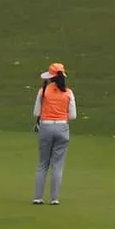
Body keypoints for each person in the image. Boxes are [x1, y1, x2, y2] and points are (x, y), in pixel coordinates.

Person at [32, 62, 77, 205]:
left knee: (43, 164)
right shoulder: (68, 92)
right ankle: (54, 198)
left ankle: (38, 197)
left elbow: (36, 112)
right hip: (62, 127)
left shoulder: (43, 91)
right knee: (57, 165)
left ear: (50, 77)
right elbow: (73, 115)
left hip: (46, 127)